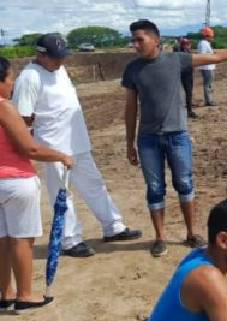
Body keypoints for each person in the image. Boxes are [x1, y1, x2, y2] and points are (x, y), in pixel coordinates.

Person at [122, 20, 227, 256]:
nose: (135, 45)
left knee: (185, 184)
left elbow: (216, 59)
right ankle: (160, 237)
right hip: (148, 139)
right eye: (133, 40)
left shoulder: (176, 60)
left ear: (156, 40)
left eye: (140, 40)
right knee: (155, 188)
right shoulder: (132, 69)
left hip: (177, 136)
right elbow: (130, 108)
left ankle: (191, 233)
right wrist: (130, 143)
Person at [12, 33, 141, 258]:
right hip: (53, 147)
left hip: (78, 141)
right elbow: (22, 119)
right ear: (40, 55)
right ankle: (69, 240)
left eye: (62, 57)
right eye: (55, 58)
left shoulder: (59, 69)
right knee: (62, 195)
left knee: (95, 184)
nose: (60, 62)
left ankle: (114, 227)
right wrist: (35, 149)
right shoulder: (30, 78)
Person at [0, 57, 74, 313]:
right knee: (21, 239)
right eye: (10, 79)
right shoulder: (4, 108)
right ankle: (25, 295)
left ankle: (6, 291)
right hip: (15, 181)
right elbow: (29, 148)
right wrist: (61, 156)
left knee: (2, 239)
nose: (12, 85)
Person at [178, 36, 198, 119]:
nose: (189, 45)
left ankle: (188, 110)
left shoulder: (186, 52)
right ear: (183, 45)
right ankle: (188, 111)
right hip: (184, 74)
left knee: (188, 93)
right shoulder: (183, 54)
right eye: (187, 44)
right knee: (186, 93)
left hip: (187, 74)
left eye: (189, 44)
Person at [197, 27, 216, 107]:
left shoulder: (204, 43)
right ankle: (209, 101)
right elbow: (203, 55)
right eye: (211, 36)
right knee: (208, 84)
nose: (212, 38)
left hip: (208, 67)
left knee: (209, 84)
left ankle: (209, 100)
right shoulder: (204, 44)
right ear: (207, 36)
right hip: (207, 67)